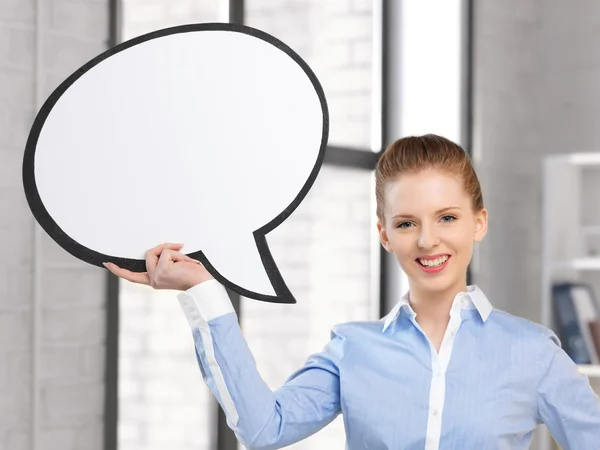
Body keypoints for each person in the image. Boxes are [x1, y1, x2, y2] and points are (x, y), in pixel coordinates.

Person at [104, 134, 600, 450]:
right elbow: (261, 430)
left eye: (447, 217)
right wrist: (204, 291)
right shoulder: (352, 351)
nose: (428, 240)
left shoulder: (531, 353)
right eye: (407, 223)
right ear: (384, 234)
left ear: (479, 223)